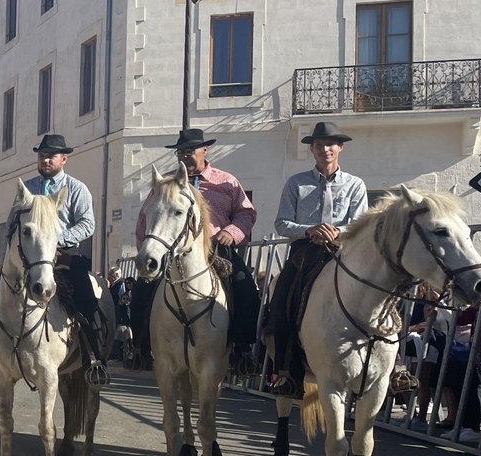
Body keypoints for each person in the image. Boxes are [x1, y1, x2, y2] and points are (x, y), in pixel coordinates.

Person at [0, 133, 106, 384]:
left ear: (63, 159)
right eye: (42, 156)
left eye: (50, 156)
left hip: (64, 255)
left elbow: (88, 224)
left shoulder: (76, 189)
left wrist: (56, 239)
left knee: (86, 299)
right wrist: (3, 261)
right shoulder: (27, 189)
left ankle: (94, 358)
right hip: (26, 258)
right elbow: (11, 228)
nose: (45, 160)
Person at [133, 128, 261, 374]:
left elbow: (246, 213)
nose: (184, 156)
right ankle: (140, 347)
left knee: (245, 286)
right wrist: (147, 250)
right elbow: (146, 217)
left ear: (205, 150)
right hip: (172, 250)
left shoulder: (226, 181)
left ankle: (242, 350)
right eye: (180, 152)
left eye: (190, 150)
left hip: (216, 247)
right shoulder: (165, 183)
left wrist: (231, 233)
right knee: (142, 289)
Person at [268, 121, 368, 396]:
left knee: (380, 291)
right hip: (305, 252)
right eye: (319, 145)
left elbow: (360, 223)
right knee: (281, 300)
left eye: (330, 145)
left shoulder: (355, 185)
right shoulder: (296, 183)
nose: (325, 149)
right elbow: (281, 223)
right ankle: (285, 371)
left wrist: (338, 230)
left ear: (340, 148)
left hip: (343, 252)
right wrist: (309, 230)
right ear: (312, 149)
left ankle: (392, 365)